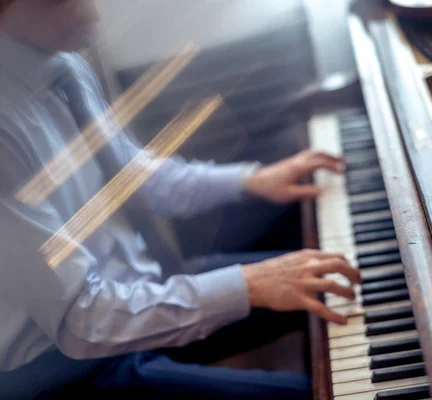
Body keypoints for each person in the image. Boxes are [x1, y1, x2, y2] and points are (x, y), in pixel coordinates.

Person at [0, 0, 360, 399]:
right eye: (65, 2)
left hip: (141, 286)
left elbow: (132, 176)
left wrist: (251, 179)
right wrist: (248, 286)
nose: (94, 14)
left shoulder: (62, 63)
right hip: (67, 369)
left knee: (334, 277)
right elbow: (81, 320)